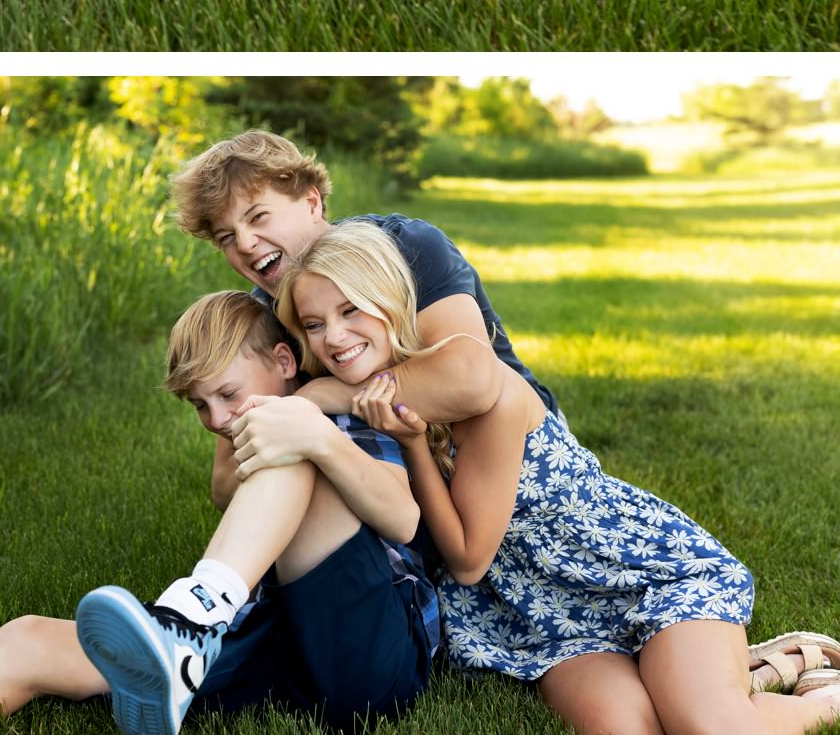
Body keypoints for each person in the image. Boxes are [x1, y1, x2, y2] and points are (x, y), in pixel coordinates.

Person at [273, 220, 840, 735]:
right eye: (316, 324)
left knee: (710, 728)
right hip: (542, 617)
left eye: (352, 311)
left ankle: (822, 699)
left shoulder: (489, 393)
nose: (334, 337)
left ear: (391, 302)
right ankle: (761, 668)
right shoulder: (363, 408)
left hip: (635, 572)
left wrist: (410, 442)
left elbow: (468, 559)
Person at [0, 290, 435, 735]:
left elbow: (405, 521)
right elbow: (223, 488)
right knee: (26, 638)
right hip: (275, 641)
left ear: (286, 359)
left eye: (227, 396)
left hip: (369, 657)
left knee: (296, 448)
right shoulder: (260, 425)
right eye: (200, 407)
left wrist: (310, 421)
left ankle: (190, 621)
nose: (217, 418)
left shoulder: (357, 406)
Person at [173, 129, 556, 421]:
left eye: (258, 217)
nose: (244, 242)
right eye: (226, 237)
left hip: (521, 440)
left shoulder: (406, 247)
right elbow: (227, 476)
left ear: (311, 203)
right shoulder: (264, 315)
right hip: (412, 457)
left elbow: (471, 382)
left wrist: (323, 396)